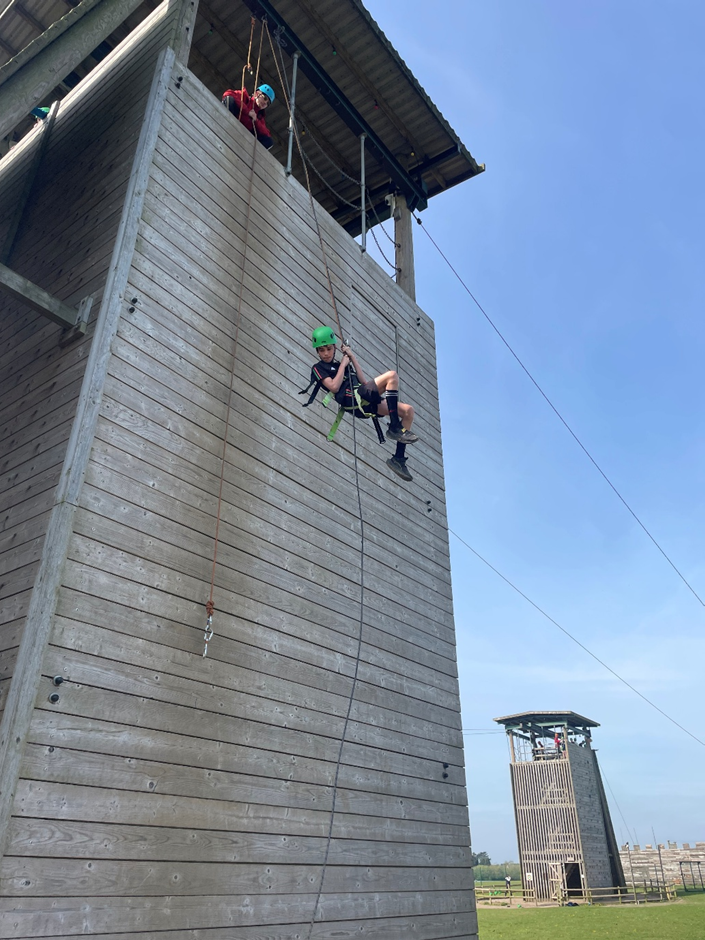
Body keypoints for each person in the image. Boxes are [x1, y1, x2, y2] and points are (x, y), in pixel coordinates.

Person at [306, 326, 419, 482]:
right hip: (353, 399)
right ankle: (394, 427)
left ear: (334, 348)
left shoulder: (342, 364)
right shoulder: (318, 368)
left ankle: (398, 459)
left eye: (329, 349)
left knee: (408, 411)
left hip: (363, 397)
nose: (326, 353)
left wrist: (352, 358)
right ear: (317, 352)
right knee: (392, 375)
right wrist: (343, 365)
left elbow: (363, 381)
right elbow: (334, 386)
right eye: (321, 350)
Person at [222, 83, 275, 149]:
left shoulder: (259, 117)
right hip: (230, 124)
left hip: (242, 140)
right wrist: (247, 111)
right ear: (257, 94)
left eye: (268, 103)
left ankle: (247, 152)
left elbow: (267, 134)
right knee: (229, 100)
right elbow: (228, 94)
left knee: (268, 141)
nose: (265, 103)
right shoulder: (244, 97)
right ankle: (224, 125)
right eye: (264, 98)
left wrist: (256, 120)